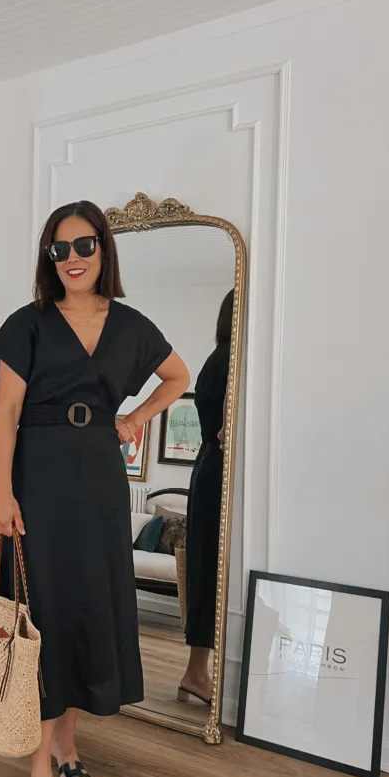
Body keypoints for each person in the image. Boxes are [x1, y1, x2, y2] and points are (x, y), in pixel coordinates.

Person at [0, 200, 189, 777]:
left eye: (84, 245)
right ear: (49, 259)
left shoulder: (131, 326)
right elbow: (6, 417)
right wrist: (2, 493)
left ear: (104, 250)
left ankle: (67, 743)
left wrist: (135, 421)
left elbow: (177, 377)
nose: (72, 258)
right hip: (40, 480)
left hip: (101, 477)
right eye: (59, 249)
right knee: (44, 616)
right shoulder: (29, 325)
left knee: (82, 613)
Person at [178, 289, 234, 705]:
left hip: (208, 470)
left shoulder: (218, 357)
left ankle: (197, 670)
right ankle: (198, 672)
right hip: (216, 473)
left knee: (206, 566)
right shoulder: (230, 359)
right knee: (211, 567)